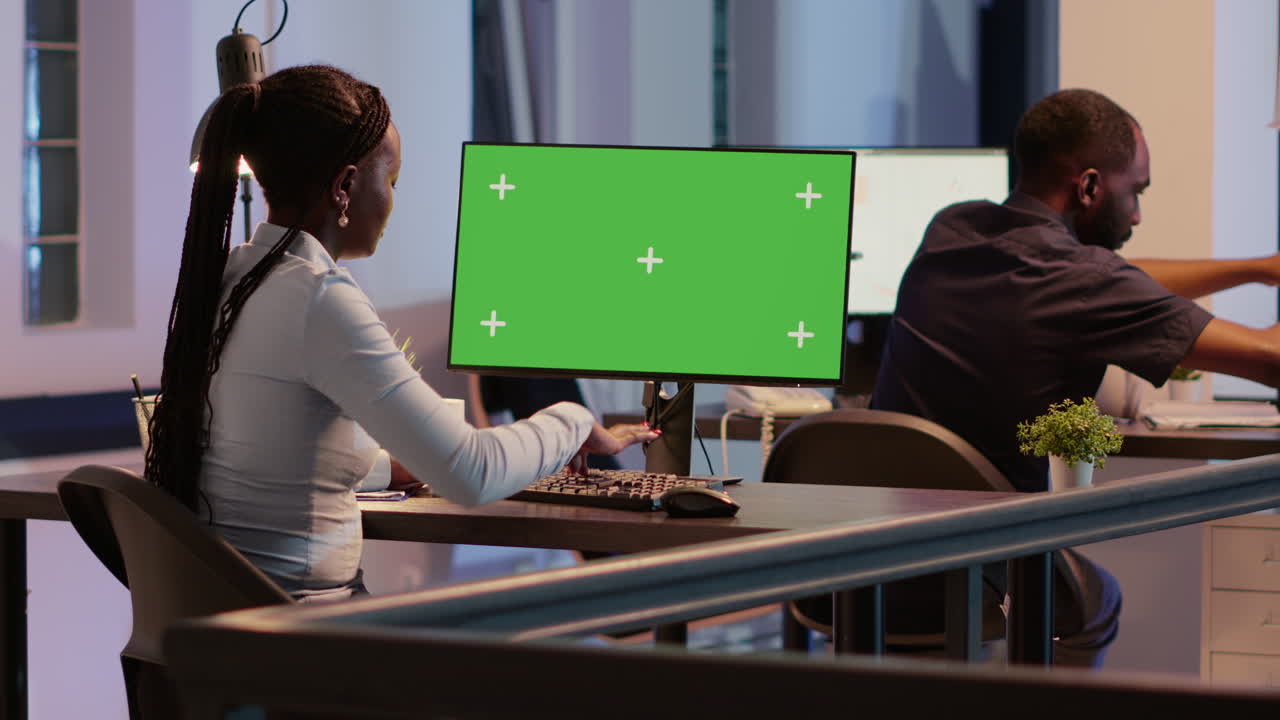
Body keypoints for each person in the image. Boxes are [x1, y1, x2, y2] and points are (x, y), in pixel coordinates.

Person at [145, 64, 657, 602]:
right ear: (345, 187)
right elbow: (470, 472)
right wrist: (572, 422)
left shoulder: (233, 277)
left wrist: (379, 467)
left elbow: (267, 457)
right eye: (390, 180)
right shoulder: (319, 297)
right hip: (302, 639)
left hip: (228, 634)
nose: (391, 200)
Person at [872, 88, 1280, 667]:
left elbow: (1119, 276)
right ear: (1088, 187)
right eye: (1134, 192)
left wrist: (1256, 270)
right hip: (994, 559)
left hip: (873, 555)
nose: (1137, 214)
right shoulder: (1083, 283)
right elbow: (1268, 357)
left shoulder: (950, 229)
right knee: (1097, 600)